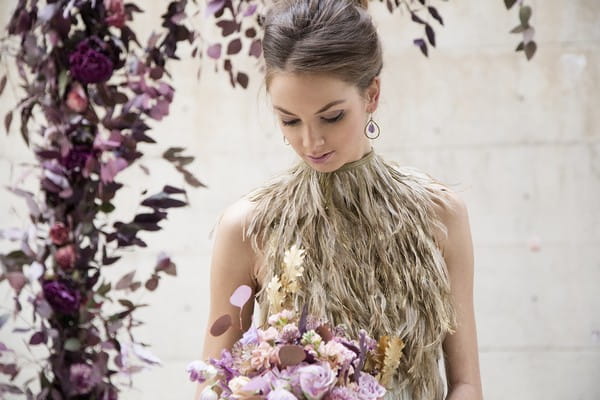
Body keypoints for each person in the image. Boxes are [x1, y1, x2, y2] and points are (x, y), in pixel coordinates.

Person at [195, 0, 483, 399]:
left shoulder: (439, 214)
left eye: (331, 117)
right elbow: (212, 384)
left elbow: (467, 384)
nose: (310, 142)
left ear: (372, 94)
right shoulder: (248, 226)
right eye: (290, 120)